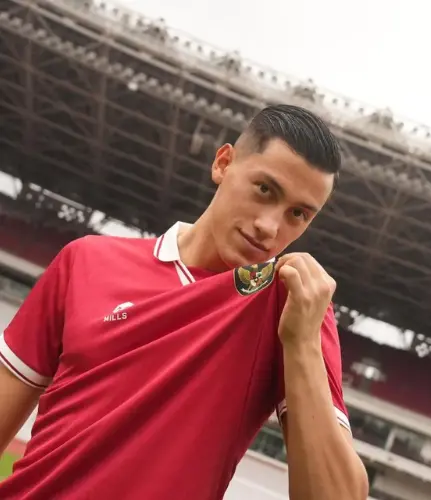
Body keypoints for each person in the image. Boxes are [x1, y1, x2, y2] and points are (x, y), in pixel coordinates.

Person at [0, 104, 368, 500]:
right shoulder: (85, 261)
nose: (269, 226)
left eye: (297, 214)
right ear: (223, 163)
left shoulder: (293, 307)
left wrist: (302, 343)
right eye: (265, 190)